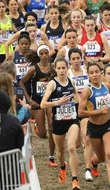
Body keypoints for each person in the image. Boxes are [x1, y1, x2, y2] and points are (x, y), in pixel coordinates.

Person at [40, 58, 81, 189]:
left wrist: (78, 105)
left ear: (67, 68)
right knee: (60, 153)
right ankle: (63, 167)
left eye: (64, 68)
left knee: (71, 147)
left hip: (72, 120)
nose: (62, 71)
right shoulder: (52, 84)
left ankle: (75, 180)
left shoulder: (71, 81)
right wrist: (57, 103)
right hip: (58, 122)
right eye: (59, 68)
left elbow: (78, 99)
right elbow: (42, 104)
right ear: (55, 69)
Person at [78, 63, 110, 190]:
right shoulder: (87, 91)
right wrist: (98, 112)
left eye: (97, 72)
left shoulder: (106, 86)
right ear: (89, 75)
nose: (95, 75)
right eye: (92, 73)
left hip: (109, 124)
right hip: (94, 127)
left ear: (101, 73)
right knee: (101, 157)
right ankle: (94, 163)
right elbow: (80, 112)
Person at [19, 44, 56, 167]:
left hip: (50, 101)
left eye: (46, 53)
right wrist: (29, 100)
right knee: (42, 134)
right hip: (37, 102)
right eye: (42, 53)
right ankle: (35, 125)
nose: (44, 56)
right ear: (39, 55)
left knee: (52, 128)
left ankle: (51, 157)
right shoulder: (33, 69)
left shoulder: (53, 68)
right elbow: (21, 83)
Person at [67, 48, 93, 181]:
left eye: (78, 58)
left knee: (86, 138)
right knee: (75, 144)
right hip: (72, 108)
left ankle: (88, 169)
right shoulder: (67, 73)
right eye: (73, 59)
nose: (76, 61)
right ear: (70, 61)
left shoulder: (87, 71)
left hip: (85, 108)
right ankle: (69, 161)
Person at [0, 0, 17, 76]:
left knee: (9, 71)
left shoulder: (9, 18)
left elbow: (15, 31)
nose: (1, 9)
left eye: (3, 7)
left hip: (9, 49)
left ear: (6, 8)